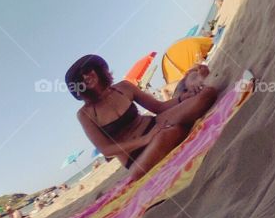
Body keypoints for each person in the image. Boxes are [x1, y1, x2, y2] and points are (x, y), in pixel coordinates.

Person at [66, 54, 217, 180]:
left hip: (156, 124)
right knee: (167, 134)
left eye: (87, 69)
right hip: (135, 156)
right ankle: (187, 85)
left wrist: (182, 99)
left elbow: (158, 108)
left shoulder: (123, 87)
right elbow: (107, 150)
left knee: (207, 94)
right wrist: (145, 139)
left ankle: (188, 84)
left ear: (97, 69)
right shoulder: (85, 114)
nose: (86, 75)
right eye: (79, 77)